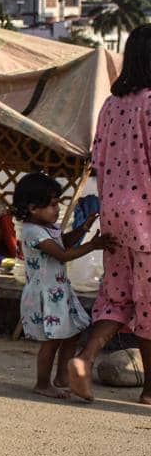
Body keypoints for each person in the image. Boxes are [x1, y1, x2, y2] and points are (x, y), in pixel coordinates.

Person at [68, 24, 151, 404]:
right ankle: (150, 389)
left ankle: (84, 358)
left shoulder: (112, 105)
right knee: (148, 304)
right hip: (147, 218)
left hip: (114, 214)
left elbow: (97, 159)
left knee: (117, 297)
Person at [12, 173, 113, 399]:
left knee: (72, 332)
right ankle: (42, 383)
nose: (57, 209)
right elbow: (63, 254)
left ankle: (62, 377)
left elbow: (63, 242)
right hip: (45, 296)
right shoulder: (32, 231)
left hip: (58, 292)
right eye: (52, 205)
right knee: (52, 341)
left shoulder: (48, 227)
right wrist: (92, 245)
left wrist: (83, 229)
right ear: (33, 207)